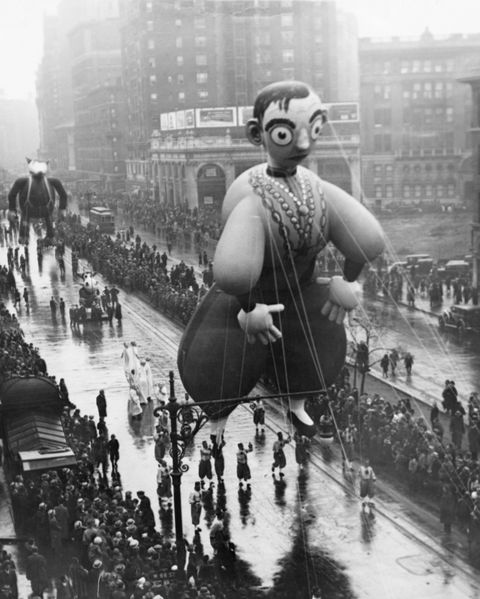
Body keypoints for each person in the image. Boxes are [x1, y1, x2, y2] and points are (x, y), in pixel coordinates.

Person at [178, 80, 385, 442]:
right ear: (259, 134)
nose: (304, 143)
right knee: (228, 354)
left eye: (314, 129)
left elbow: (365, 239)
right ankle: (218, 412)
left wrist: (349, 281)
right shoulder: (251, 190)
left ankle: (299, 402)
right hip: (249, 299)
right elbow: (234, 270)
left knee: (318, 340)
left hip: (301, 289)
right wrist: (247, 306)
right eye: (286, 133)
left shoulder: (314, 186)